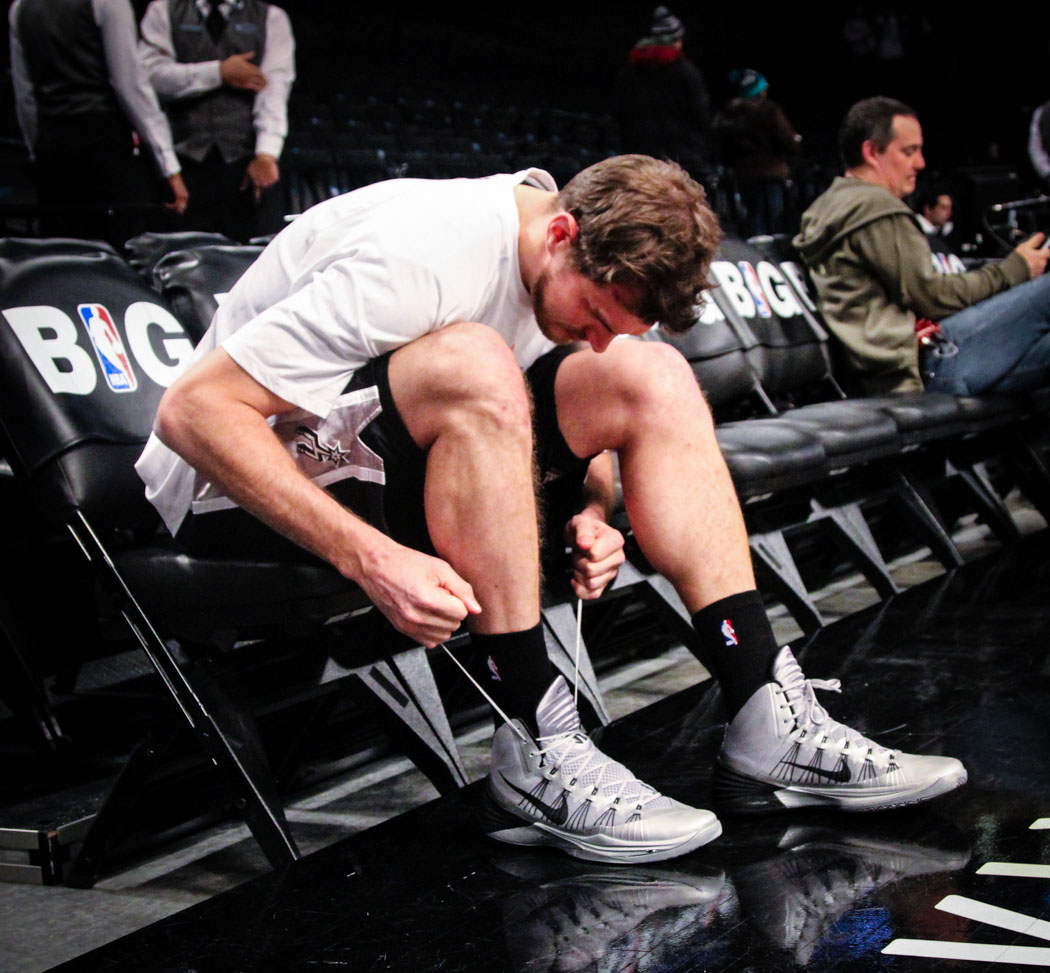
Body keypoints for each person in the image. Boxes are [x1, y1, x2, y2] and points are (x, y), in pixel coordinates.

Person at [136, 156, 967, 866]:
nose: (597, 338)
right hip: (232, 489)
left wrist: (596, 505)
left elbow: (566, 402)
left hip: (390, 457)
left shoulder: (552, 263)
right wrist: (372, 559)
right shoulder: (420, 256)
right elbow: (194, 414)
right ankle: (536, 746)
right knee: (472, 359)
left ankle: (765, 720)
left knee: (651, 377)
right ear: (563, 234)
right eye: (597, 317)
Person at [795, 96, 1050, 396]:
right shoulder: (876, 208)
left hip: (897, 368)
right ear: (872, 152)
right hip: (930, 365)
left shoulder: (828, 206)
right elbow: (934, 296)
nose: (921, 163)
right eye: (909, 151)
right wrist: (1016, 269)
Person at [8, 0, 188, 242]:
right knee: (116, 255)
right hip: (104, 145)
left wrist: (37, 151)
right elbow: (129, 86)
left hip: (52, 147)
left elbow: (26, 98)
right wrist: (168, 165)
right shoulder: (109, 2)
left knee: (63, 255)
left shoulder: (20, 7)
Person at [139, 0, 295, 240]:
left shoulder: (271, 17)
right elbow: (148, 76)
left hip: (245, 161)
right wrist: (219, 73)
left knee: (254, 258)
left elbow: (274, 89)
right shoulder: (164, 10)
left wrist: (266, 154)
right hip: (182, 164)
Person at [616, 6, 716, 186]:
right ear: (675, 40)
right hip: (684, 161)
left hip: (641, 160)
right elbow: (702, 117)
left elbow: (621, 115)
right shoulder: (687, 73)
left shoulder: (629, 73)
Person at [713, 68, 801, 235]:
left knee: (753, 217)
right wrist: (796, 142)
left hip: (743, 176)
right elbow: (787, 142)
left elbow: (721, 147)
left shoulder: (728, 115)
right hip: (772, 174)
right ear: (759, 90)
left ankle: (755, 255)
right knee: (775, 220)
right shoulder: (770, 111)